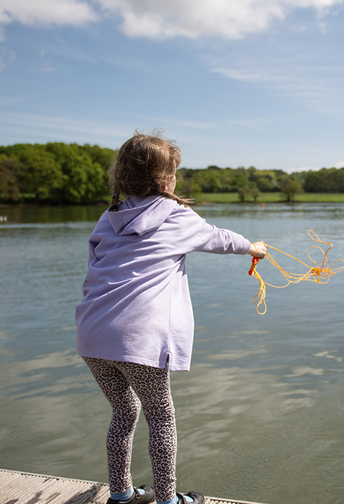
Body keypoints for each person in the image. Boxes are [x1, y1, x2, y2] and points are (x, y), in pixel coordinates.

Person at [75, 132, 267, 504]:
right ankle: (167, 499)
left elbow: (93, 272)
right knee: (161, 417)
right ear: (166, 180)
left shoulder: (108, 217)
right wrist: (253, 247)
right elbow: (220, 238)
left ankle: (121, 493)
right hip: (137, 337)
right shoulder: (175, 216)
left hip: (92, 335)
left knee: (123, 410)